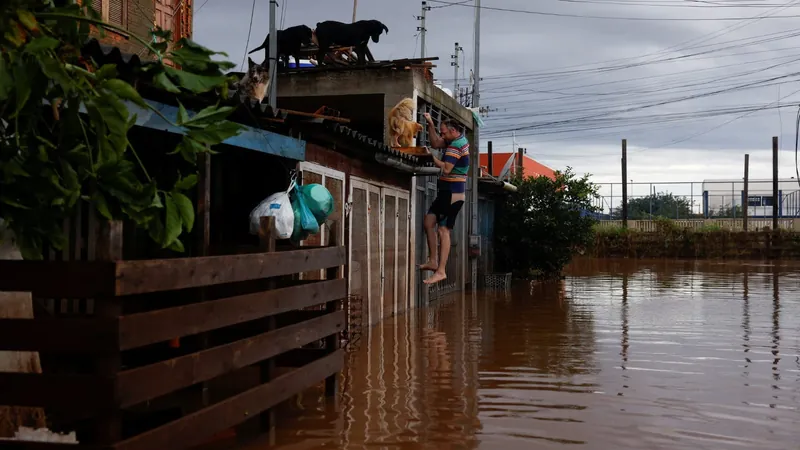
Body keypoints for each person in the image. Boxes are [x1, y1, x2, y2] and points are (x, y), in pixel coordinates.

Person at [419, 113, 470, 285]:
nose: (442, 136)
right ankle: (433, 260)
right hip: (445, 191)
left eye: (444, 133)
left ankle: (441, 271)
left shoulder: (457, 145)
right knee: (428, 222)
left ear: (453, 131)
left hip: (453, 193)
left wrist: (430, 157)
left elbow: (447, 169)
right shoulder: (453, 140)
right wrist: (431, 124)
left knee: (443, 230)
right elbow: (435, 143)